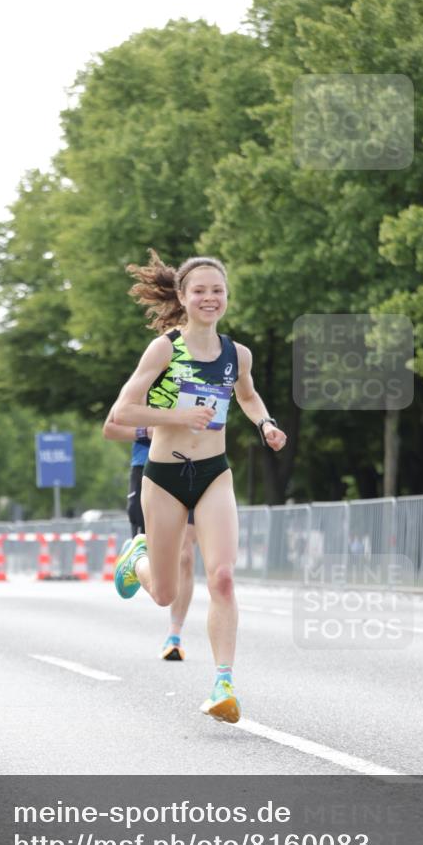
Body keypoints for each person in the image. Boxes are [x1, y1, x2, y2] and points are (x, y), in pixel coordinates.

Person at [112, 252, 286, 723]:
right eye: (200, 291)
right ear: (184, 298)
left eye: (218, 291)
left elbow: (246, 394)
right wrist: (176, 416)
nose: (210, 298)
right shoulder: (165, 349)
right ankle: (138, 559)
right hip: (165, 478)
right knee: (166, 593)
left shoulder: (237, 354)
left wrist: (265, 422)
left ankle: (223, 683)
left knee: (223, 576)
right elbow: (121, 414)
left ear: (226, 296)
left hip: (214, 474)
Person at [102, 407, 195, 660]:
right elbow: (109, 428)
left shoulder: (205, 374)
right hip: (149, 468)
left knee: (185, 555)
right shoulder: (149, 375)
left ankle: (174, 635)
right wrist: (146, 430)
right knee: (158, 565)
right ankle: (137, 560)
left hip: (191, 467)